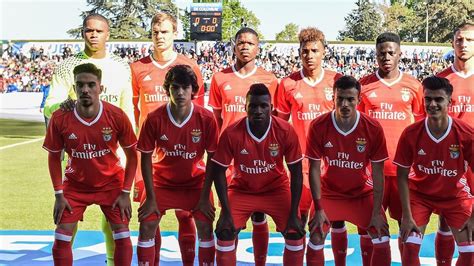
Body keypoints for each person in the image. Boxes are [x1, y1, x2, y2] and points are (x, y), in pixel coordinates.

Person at [43, 13, 134, 265]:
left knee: (114, 221)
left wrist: (128, 151)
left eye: (99, 31)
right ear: (82, 32)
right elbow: (50, 104)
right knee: (66, 223)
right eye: (88, 30)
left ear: (108, 34)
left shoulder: (121, 66)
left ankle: (110, 260)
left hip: (114, 154)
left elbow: (127, 107)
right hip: (78, 152)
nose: (93, 35)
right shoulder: (67, 66)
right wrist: (62, 106)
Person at [130, 12, 205, 264]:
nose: (159, 37)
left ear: (175, 33)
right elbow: (134, 109)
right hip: (150, 157)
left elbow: (200, 112)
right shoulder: (138, 68)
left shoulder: (189, 66)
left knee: (186, 215)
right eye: (155, 32)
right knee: (151, 214)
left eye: (164, 32)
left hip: (183, 154)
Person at [211, 83, 305, 265]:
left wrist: (294, 213)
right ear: (245, 108)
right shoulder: (232, 133)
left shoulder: (285, 130)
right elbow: (218, 171)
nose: (258, 110)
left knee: (295, 232)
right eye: (253, 106)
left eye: (263, 106)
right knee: (224, 230)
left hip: (276, 189)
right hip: (242, 190)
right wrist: (225, 211)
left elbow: (297, 173)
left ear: (271, 108)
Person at [208, 27, 278, 265]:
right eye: (241, 42)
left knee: (259, 214)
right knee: (229, 218)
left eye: (250, 43)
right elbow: (216, 120)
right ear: (234, 45)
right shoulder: (219, 78)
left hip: (259, 159)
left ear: (258, 48)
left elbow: (275, 121)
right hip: (230, 159)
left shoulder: (270, 80)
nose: (245, 46)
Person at [136, 65, 217, 266]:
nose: (180, 92)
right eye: (175, 87)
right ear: (167, 90)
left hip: (195, 183)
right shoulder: (154, 118)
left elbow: (213, 159)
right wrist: (151, 197)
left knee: (206, 226)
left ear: (194, 90)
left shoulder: (206, 118)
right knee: (147, 224)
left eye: (185, 87)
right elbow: (145, 157)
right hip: (161, 183)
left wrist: (206, 196)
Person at [305, 76, 391, 266]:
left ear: (359, 100)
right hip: (330, 193)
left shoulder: (373, 127)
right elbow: (313, 169)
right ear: (333, 98)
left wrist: (377, 211)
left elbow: (378, 172)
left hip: (361, 193)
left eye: (350, 99)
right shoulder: (318, 125)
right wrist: (318, 208)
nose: (345, 104)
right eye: (340, 98)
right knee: (316, 236)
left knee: (382, 236)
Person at [275, 27, 343, 264]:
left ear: (324, 52)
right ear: (299, 53)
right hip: (300, 168)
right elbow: (279, 128)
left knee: (321, 230)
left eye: (315, 50)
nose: (310, 55)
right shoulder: (287, 84)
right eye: (305, 51)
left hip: (331, 168)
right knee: (295, 228)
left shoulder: (337, 82)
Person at [358, 32, 424, 261]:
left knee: (406, 226)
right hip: (372, 172)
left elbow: (421, 127)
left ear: (399, 54)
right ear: (375, 55)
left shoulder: (414, 86)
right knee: (371, 229)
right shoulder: (363, 86)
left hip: (404, 171)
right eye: (381, 53)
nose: (386, 57)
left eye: (390, 52)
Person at [394, 76, 474, 265]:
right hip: (420, 196)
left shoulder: (466, 134)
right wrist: (406, 215)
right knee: (409, 249)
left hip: (455, 197)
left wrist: (473, 218)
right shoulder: (411, 133)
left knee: (470, 252)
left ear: (449, 102)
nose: (432, 104)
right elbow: (402, 174)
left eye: (438, 99)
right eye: (428, 99)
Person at [434, 21, 474, 265]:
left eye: (469, 40)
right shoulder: (440, 81)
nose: (464, 44)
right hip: (451, 158)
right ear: (452, 43)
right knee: (445, 218)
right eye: (459, 39)